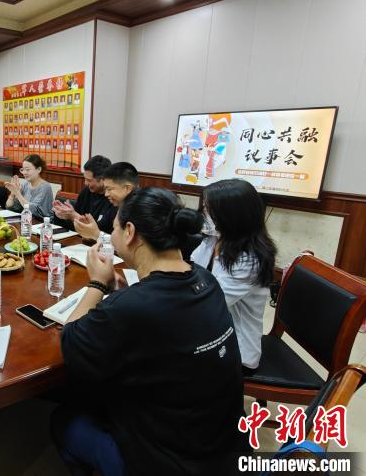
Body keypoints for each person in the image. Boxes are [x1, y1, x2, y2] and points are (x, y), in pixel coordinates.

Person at [52, 187, 248, 476]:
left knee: (64, 420)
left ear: (130, 232)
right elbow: (165, 322)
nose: (112, 235)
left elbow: (71, 341)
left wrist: (97, 284)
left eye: (115, 228)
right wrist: (126, 295)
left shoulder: (133, 307)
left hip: (170, 463)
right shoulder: (206, 280)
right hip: (227, 448)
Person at [192, 179, 277, 372]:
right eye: (204, 207)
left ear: (231, 216)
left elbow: (210, 305)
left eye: (208, 210)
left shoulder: (249, 260)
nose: (203, 215)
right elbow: (190, 271)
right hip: (209, 331)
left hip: (234, 348)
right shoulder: (214, 239)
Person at [73, 161, 138, 240]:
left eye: (109, 189)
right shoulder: (119, 204)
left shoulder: (140, 209)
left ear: (127, 188)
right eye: (106, 189)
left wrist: (96, 234)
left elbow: (125, 244)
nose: (106, 194)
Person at [53, 155, 116, 234]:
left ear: (103, 179)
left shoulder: (113, 199)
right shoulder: (86, 191)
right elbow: (74, 224)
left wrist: (73, 215)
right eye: (85, 179)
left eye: (89, 180)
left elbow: (100, 230)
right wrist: (66, 215)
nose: (85, 183)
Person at [5, 154, 53, 218]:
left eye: (27, 169)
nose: (24, 173)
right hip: (27, 220)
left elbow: (33, 211)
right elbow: (10, 208)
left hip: (41, 222)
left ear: (38, 169)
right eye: (23, 169)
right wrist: (12, 194)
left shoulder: (45, 187)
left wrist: (17, 193)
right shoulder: (26, 184)